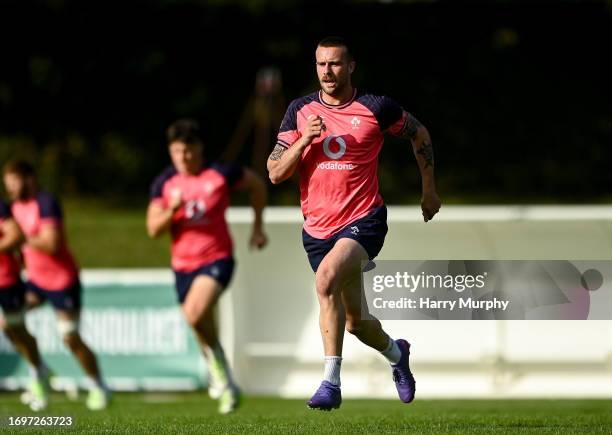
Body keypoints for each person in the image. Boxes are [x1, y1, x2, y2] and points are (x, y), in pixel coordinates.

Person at [267, 36, 441, 410]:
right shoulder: (299, 111)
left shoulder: (376, 107)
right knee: (356, 322)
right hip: (317, 230)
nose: (327, 72)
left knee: (325, 279)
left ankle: (330, 383)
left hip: (364, 220)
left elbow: (419, 134)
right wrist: (304, 141)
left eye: (335, 64)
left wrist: (428, 190)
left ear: (351, 67)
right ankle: (398, 355)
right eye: (321, 64)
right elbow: (275, 173)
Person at [147, 119, 268, 414]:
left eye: (188, 151)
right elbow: (153, 228)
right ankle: (223, 375)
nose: (183, 158)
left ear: (199, 148)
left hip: (217, 259)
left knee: (195, 312)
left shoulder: (220, 173)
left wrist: (258, 227)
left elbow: (256, 185)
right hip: (182, 266)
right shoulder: (164, 183)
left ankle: (218, 369)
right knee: (197, 321)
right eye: (177, 152)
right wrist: (172, 211)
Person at [3, 161, 110, 411]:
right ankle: (39, 370)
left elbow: (52, 244)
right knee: (9, 324)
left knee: (69, 336)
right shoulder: (13, 208)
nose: (10, 190)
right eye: (7, 185)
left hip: (62, 281)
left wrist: (19, 237)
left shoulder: (46, 203)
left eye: (14, 183)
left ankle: (98, 385)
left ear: (29, 178)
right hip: (35, 282)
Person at [0, 197, 51, 411]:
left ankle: (38, 370)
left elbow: (16, 235)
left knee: (14, 327)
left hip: (6, 278)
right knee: (9, 328)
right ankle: (38, 370)